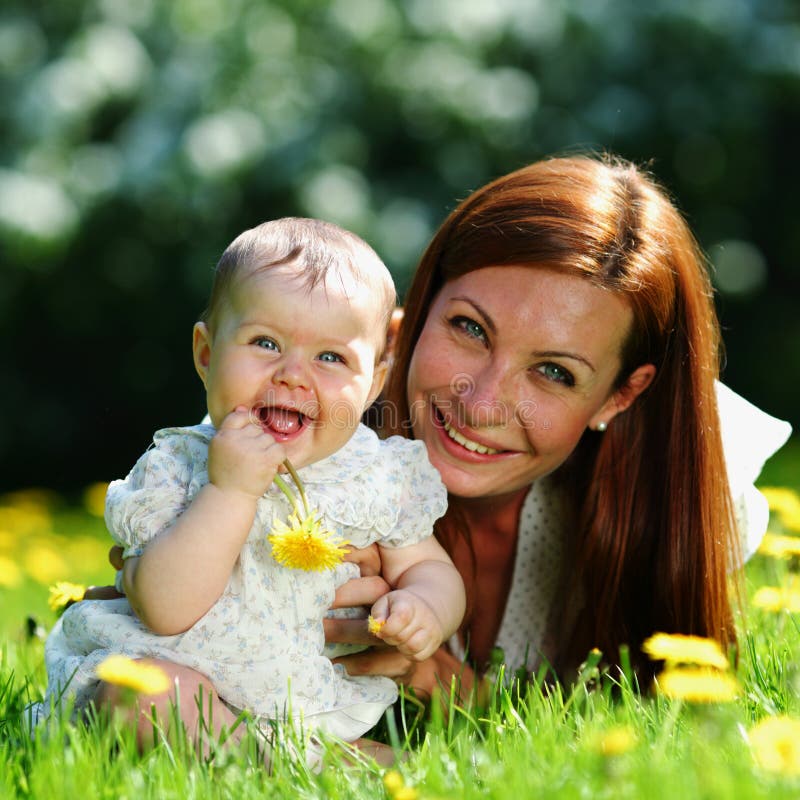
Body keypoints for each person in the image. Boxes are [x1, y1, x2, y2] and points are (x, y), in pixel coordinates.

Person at [322, 153, 792, 697]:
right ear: (412, 321)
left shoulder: (680, 491)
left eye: (554, 372)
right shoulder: (289, 427)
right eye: (470, 328)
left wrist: (445, 687)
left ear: (619, 397)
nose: (483, 404)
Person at [31, 217, 466, 759]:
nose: (293, 375)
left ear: (374, 382)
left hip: (300, 699)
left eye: (331, 357)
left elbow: (427, 567)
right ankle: (303, 768)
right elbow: (164, 611)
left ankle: (294, 756)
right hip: (177, 679)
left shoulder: (377, 474)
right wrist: (229, 490)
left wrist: (424, 606)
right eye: (265, 342)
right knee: (142, 700)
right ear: (207, 354)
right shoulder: (179, 465)